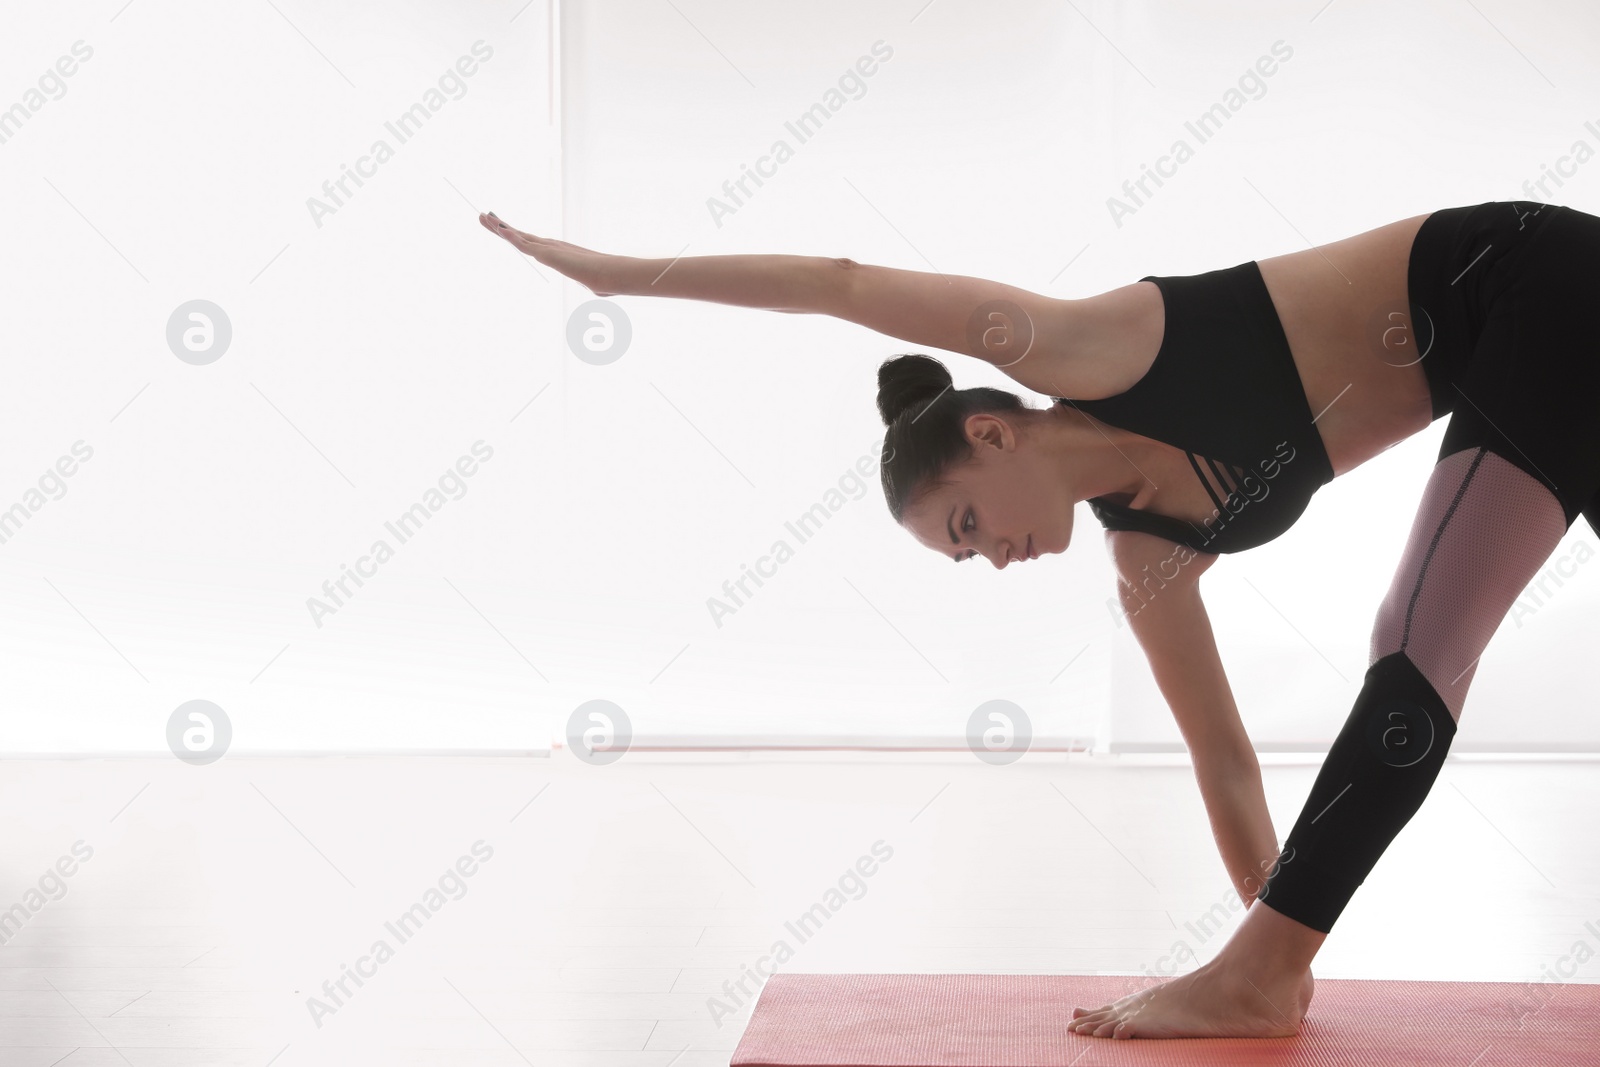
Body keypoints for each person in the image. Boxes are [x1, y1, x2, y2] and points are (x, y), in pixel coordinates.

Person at [479, 202, 1600, 1038]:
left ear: (995, 433)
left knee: (1415, 639)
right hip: (1536, 350)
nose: (988, 557)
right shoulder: (1146, 555)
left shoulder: (1091, 348)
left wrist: (614, 273)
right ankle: (1264, 968)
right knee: (1420, 643)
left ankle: (1258, 973)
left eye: (964, 523)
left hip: (1528, 283)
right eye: (961, 554)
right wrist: (1275, 928)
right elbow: (1222, 760)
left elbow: (836, 278)